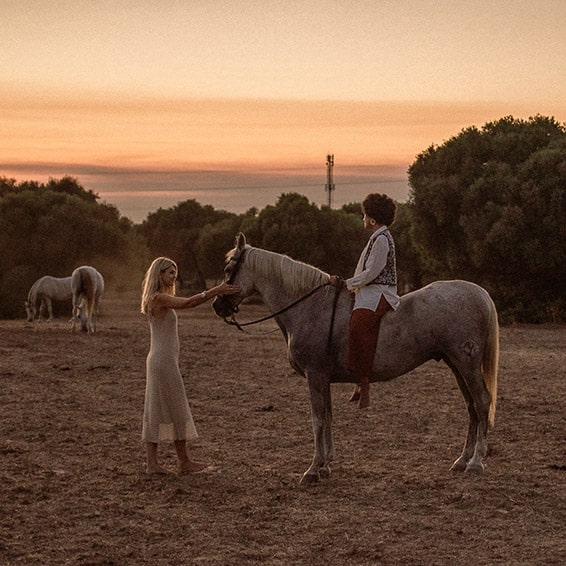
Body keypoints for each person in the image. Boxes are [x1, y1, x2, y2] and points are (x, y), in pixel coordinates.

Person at [140, 257, 240, 475]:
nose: (174, 276)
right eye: (169, 272)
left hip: (164, 360)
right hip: (162, 361)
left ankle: (176, 461)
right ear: (159, 275)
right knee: (164, 407)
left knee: (168, 407)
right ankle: (163, 463)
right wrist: (216, 290)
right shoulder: (158, 298)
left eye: (175, 272)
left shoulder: (160, 298)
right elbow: (188, 303)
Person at [329, 193, 400, 409]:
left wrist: (347, 284)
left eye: (364, 215)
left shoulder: (381, 240)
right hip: (368, 290)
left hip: (379, 292)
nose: (363, 219)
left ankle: (365, 382)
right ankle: (359, 382)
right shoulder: (376, 238)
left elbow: (371, 273)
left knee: (359, 326)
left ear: (372, 219)